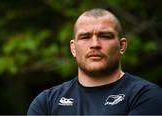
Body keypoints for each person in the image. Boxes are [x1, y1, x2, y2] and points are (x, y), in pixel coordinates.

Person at [27, 8, 162, 115]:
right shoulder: (46, 102)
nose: (95, 44)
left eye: (105, 36)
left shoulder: (146, 95)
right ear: (73, 48)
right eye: (85, 37)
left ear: (122, 46)